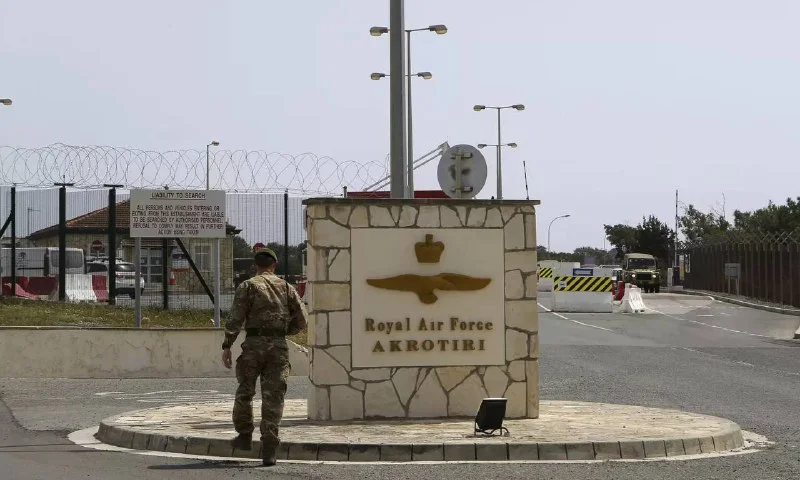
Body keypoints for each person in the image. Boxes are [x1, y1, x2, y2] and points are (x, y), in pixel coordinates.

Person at [221, 246, 308, 467]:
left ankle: (244, 436)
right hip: (278, 347)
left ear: (255, 266)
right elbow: (302, 320)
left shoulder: (248, 286)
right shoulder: (286, 287)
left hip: (253, 345)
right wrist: (283, 332)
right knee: (274, 396)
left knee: (245, 391)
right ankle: (269, 449)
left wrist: (227, 344)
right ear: (274, 265)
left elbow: (236, 317)